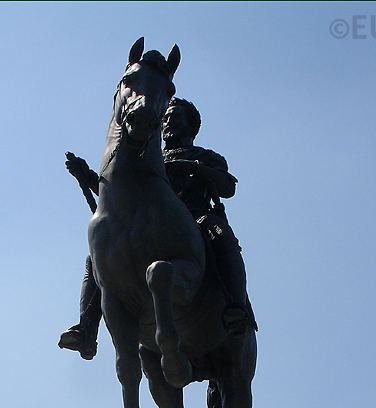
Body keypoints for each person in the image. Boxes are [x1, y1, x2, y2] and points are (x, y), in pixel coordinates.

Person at [59, 98, 255, 360]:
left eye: (175, 117)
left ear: (191, 126)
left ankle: (235, 306)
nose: (168, 122)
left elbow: (227, 188)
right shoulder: (147, 159)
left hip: (196, 219)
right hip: (149, 228)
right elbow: (121, 198)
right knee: (96, 257)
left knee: (220, 233)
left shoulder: (206, 157)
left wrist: (193, 168)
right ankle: (87, 328)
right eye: (166, 118)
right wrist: (87, 177)